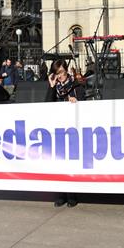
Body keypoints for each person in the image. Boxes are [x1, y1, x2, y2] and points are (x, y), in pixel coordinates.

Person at [46, 59, 86, 208]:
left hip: (73, 129)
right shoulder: (55, 88)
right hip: (58, 129)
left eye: (61, 73)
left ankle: (72, 195)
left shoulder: (76, 86)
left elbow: (85, 105)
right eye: (57, 74)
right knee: (58, 163)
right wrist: (51, 87)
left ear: (67, 71)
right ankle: (60, 194)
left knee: (71, 163)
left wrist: (77, 101)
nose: (60, 76)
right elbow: (47, 106)